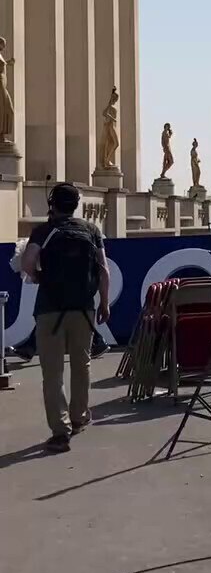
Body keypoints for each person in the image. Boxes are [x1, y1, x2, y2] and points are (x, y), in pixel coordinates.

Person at [21, 182, 110, 452]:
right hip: (83, 308)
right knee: (81, 366)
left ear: (52, 204)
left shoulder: (44, 231)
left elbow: (26, 264)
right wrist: (104, 303)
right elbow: (103, 270)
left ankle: (60, 432)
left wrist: (38, 276)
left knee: (52, 372)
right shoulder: (91, 230)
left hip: (50, 309)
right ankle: (79, 417)